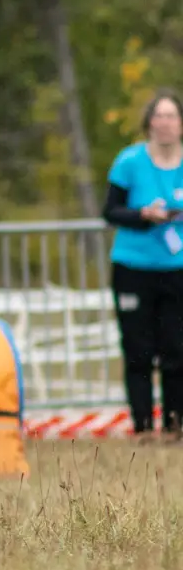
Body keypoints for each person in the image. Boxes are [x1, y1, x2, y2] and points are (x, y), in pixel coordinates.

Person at [104, 89, 183, 437]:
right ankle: (143, 427)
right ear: (149, 122)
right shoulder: (129, 161)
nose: (165, 123)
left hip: (177, 269)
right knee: (138, 351)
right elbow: (110, 211)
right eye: (159, 116)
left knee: (176, 350)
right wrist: (142, 215)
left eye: (172, 116)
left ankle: (174, 425)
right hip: (133, 268)